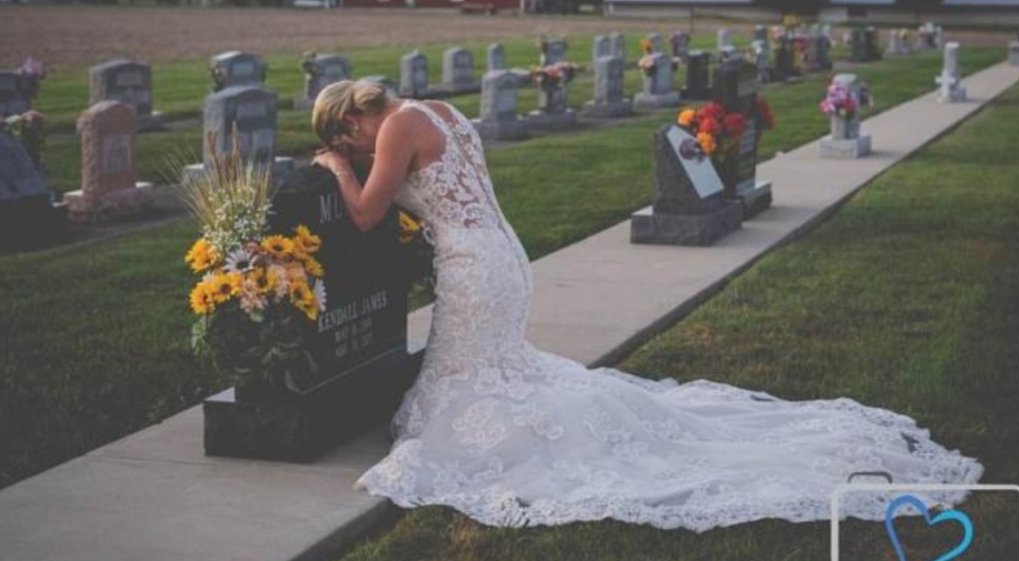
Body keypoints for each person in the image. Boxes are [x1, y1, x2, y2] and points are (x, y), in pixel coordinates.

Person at [310, 79, 983, 532]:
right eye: (350, 151)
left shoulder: (395, 126)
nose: (359, 150)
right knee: (494, 368)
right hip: (499, 251)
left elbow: (367, 212)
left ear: (350, 118)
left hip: (473, 263)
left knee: (471, 384)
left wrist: (337, 171)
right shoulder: (436, 110)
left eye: (350, 140)